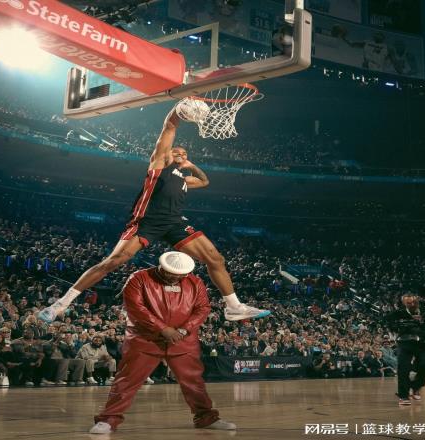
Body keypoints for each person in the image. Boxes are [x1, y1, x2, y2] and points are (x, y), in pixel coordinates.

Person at [38, 105, 269, 324]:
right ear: (168, 153)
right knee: (112, 262)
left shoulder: (183, 178)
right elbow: (169, 127)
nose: (180, 154)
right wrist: (178, 111)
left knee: (216, 259)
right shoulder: (159, 166)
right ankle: (60, 304)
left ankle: (234, 307)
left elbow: (204, 181)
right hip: (147, 221)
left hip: (174, 223)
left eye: (184, 153)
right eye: (177, 151)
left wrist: (190, 165)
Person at [89, 251, 236, 433]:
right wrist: (163, 329)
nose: (176, 278)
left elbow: (203, 308)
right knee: (127, 381)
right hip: (145, 339)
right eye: (172, 274)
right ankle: (108, 419)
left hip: (182, 339)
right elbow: (136, 308)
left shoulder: (195, 282)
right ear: (162, 268)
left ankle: (206, 418)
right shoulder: (139, 278)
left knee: (193, 382)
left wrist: (184, 329)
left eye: (180, 275)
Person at [387, 293, 425, 405]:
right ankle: (403, 395)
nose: (412, 304)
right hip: (405, 342)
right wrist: (398, 327)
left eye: (413, 302)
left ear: (417, 301)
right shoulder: (397, 314)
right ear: (404, 303)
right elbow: (389, 323)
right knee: (403, 368)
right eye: (408, 303)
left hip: (424, 343)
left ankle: (415, 386)